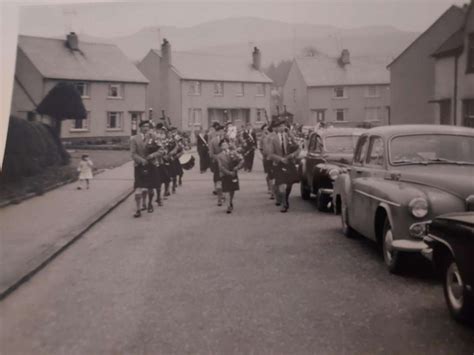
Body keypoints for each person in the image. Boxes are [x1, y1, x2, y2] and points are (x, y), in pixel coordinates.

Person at [268, 118, 301, 213]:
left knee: (289, 184)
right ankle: (284, 203)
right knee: (281, 185)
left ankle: (285, 198)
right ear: (277, 128)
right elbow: (271, 154)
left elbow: (298, 148)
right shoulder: (273, 139)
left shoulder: (289, 136)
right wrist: (281, 159)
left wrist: (292, 155)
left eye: (283, 126)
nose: (282, 128)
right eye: (280, 126)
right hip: (279, 164)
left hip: (289, 163)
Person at [130, 120, 154, 218]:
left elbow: (161, 150)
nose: (146, 128)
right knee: (139, 187)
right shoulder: (134, 139)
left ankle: (148, 203)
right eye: (144, 126)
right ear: (140, 127)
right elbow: (133, 153)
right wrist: (141, 160)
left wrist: (152, 156)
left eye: (147, 126)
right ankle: (138, 209)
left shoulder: (153, 137)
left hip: (150, 164)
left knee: (149, 187)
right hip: (139, 166)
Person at [216, 139, 244, 213]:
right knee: (227, 189)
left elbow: (242, 160)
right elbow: (220, 167)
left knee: (232, 189)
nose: (225, 146)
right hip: (225, 174)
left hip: (233, 173)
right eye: (223, 145)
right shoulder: (219, 156)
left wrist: (237, 167)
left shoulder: (233, 152)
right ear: (221, 147)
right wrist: (228, 172)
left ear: (228, 145)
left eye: (226, 144)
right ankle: (228, 205)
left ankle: (230, 201)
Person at [208, 122, 226, 205]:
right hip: (217, 162)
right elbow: (211, 154)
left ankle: (224, 194)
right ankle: (220, 197)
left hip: (227, 162)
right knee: (218, 179)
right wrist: (219, 157)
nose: (223, 133)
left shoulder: (227, 139)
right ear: (218, 132)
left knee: (225, 179)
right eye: (221, 131)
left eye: (223, 131)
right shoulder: (213, 141)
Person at [259, 123, 275, 199]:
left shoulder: (274, 137)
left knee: (273, 174)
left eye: (267, 128)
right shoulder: (263, 138)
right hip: (267, 158)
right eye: (264, 128)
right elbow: (261, 148)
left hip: (274, 158)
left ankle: (273, 190)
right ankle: (271, 190)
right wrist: (264, 156)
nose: (265, 130)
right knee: (270, 173)